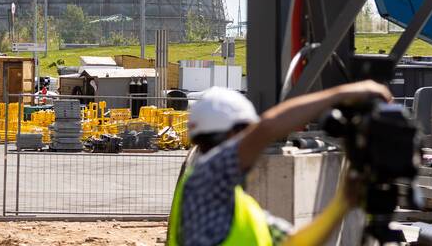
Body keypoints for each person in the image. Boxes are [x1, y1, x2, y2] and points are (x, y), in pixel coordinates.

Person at [167, 81, 392, 246]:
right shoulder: (205, 179)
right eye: (248, 134)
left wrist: (342, 203)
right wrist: (342, 93)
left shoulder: (241, 209)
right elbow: (266, 129)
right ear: (236, 134)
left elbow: (296, 243)